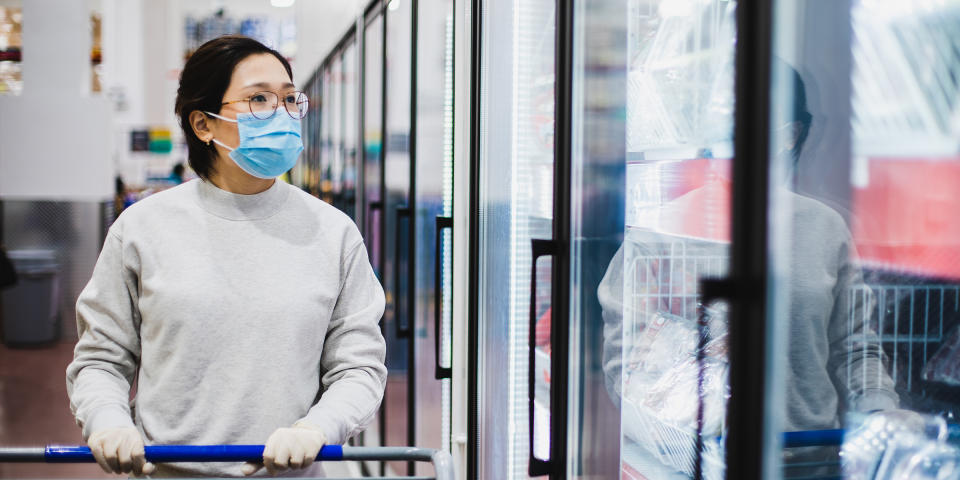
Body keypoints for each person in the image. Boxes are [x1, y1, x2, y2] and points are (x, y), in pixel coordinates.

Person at [66, 35, 387, 478]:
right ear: (204, 125)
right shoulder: (143, 229)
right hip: (167, 471)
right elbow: (102, 359)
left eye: (290, 98)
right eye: (259, 98)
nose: (282, 113)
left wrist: (317, 428)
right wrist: (108, 421)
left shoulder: (333, 233)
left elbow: (359, 368)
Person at [597, 60, 899, 476]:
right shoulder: (660, 232)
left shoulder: (825, 229)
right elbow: (623, 361)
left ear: (790, 135)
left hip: (808, 461)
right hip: (690, 465)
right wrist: (677, 435)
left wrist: (882, 409)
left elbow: (855, 347)